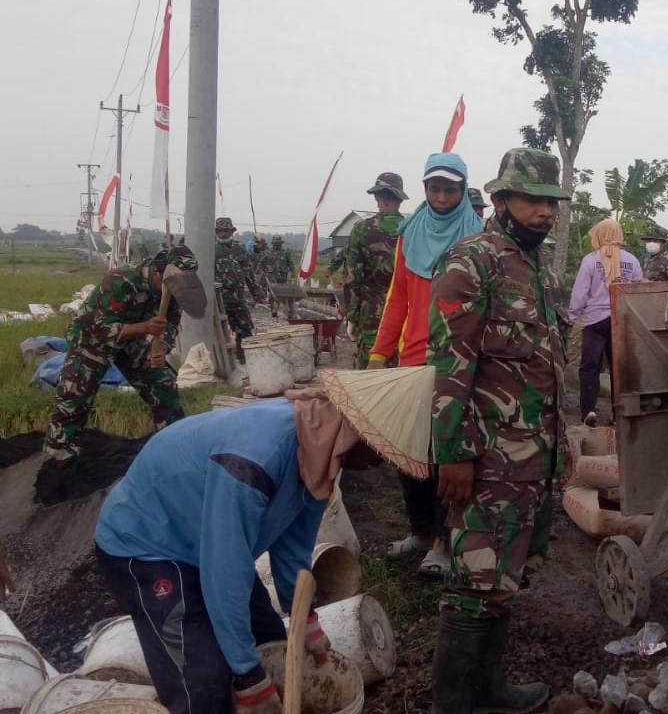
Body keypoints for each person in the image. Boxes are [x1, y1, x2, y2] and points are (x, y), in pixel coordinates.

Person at [94, 366, 434, 714]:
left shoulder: (320, 451)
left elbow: (294, 549)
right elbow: (224, 571)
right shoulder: (254, 460)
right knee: (204, 685)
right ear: (357, 433)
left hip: (204, 540)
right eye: (381, 453)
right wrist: (248, 677)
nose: (379, 465)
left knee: (271, 640)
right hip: (147, 545)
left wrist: (306, 623)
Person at [426, 147, 570, 713]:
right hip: (485, 457)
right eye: (532, 200)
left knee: (504, 579)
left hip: (532, 456)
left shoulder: (538, 268)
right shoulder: (472, 262)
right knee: (474, 582)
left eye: (551, 202)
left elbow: (546, 365)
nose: (545, 212)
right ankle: (452, 704)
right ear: (503, 199)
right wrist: (453, 454)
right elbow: (450, 364)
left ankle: (489, 689)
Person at [369, 153, 485, 576]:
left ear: (462, 190)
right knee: (408, 454)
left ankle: (443, 540)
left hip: (457, 363)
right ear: (424, 189)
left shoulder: (477, 237)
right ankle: (419, 531)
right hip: (412, 360)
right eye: (434, 187)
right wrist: (379, 354)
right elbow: (397, 299)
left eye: (450, 188)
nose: (440, 196)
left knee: (445, 457)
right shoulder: (410, 234)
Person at [40, 246, 206, 502]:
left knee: (162, 383)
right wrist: (145, 327)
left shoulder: (174, 289)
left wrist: (160, 347)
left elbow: (171, 323)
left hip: (132, 341)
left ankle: (175, 450)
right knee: (74, 401)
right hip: (92, 339)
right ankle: (58, 468)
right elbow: (101, 327)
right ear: (157, 273)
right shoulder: (121, 280)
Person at [569, 218, 642, 426]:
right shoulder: (632, 261)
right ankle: (619, 416)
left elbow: (580, 292)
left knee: (589, 367)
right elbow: (637, 290)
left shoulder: (591, 260)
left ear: (599, 235)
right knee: (619, 370)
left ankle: (589, 411)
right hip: (621, 321)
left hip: (595, 322)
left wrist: (572, 317)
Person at [344, 172, 408, 369]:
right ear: (400, 199)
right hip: (406, 317)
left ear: (379, 197)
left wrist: (352, 317)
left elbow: (353, 278)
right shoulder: (413, 229)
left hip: (371, 315)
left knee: (370, 377)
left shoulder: (362, 229)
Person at [215, 218, 259, 359]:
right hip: (218, 300)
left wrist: (256, 291)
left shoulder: (239, 249)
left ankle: (244, 360)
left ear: (232, 232)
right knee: (217, 333)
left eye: (226, 231)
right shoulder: (211, 250)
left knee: (245, 330)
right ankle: (221, 361)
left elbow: (248, 272)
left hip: (237, 299)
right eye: (220, 231)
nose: (223, 234)